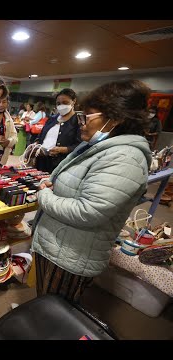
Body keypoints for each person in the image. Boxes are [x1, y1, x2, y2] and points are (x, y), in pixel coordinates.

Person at [31, 79, 152, 303]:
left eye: (87, 118)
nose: (81, 124)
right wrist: (54, 183)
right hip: (60, 244)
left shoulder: (124, 158)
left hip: (71, 254)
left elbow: (89, 211)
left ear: (115, 119)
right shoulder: (98, 147)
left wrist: (45, 196)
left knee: (55, 311)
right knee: (45, 302)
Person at [34, 88, 82, 173]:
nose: (61, 106)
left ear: (73, 101)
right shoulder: (52, 119)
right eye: (58, 103)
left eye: (65, 103)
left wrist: (62, 149)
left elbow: (81, 145)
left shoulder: (78, 121)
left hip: (61, 164)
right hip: (42, 161)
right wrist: (36, 145)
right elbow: (40, 136)